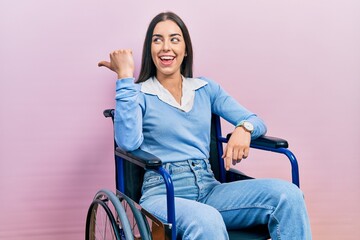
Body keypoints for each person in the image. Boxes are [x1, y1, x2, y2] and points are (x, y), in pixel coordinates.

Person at [99, 11, 312, 240]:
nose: (165, 47)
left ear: (186, 49)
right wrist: (124, 77)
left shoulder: (205, 88)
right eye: (157, 39)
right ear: (150, 50)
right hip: (163, 191)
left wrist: (244, 129)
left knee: (288, 196)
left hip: (209, 187)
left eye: (174, 39)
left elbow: (255, 120)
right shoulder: (139, 93)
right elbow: (128, 142)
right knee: (207, 219)